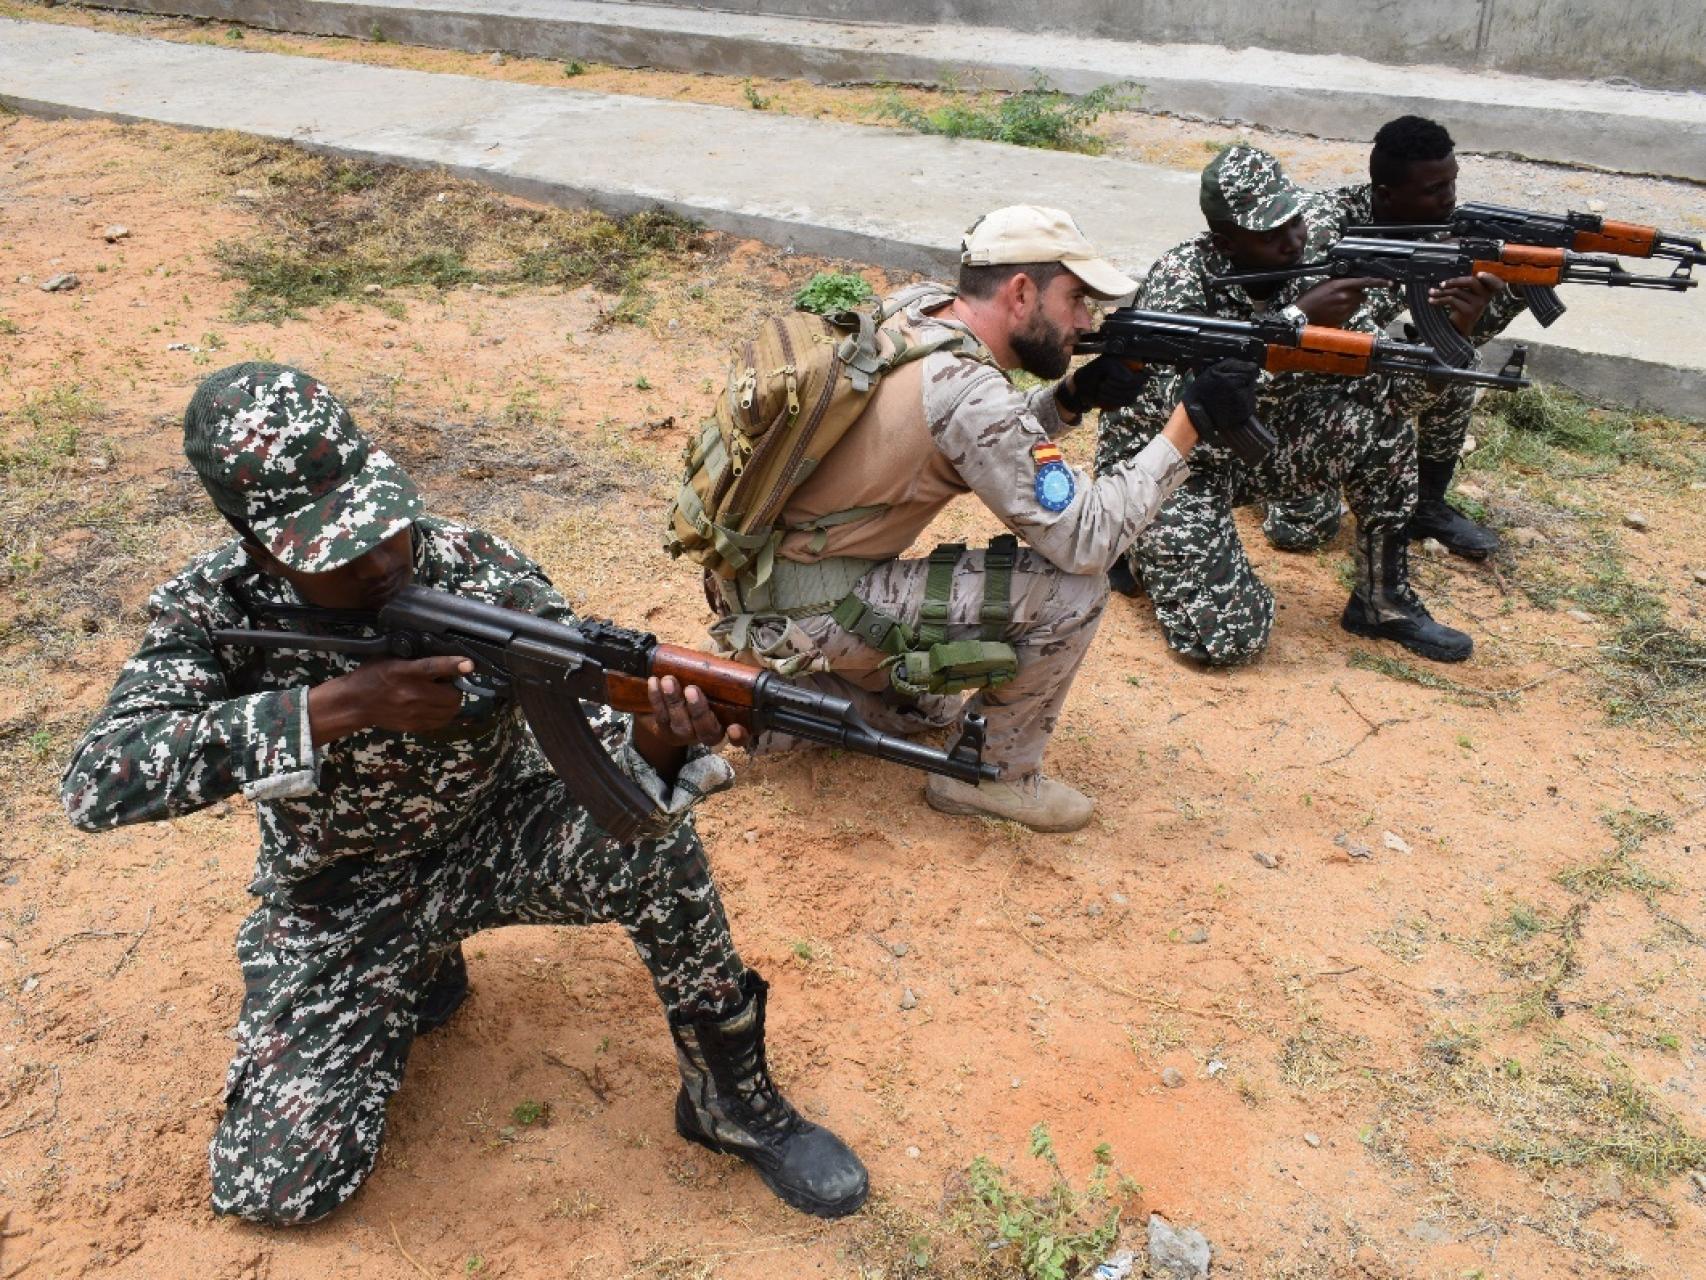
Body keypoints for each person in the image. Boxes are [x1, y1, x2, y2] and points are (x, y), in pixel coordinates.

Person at [60, 363, 869, 1226]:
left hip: (497, 840)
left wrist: (661, 735)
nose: (382, 560)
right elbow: (99, 780)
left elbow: (601, 765)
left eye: (383, 521)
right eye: (338, 549)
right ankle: (417, 964)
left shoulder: (479, 573)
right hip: (344, 893)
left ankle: (729, 1102)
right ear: (257, 545)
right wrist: (341, 706)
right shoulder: (211, 609)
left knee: (657, 846)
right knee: (279, 1188)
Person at [702, 206, 1259, 833]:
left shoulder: (917, 311)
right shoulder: (967, 389)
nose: (1086, 322)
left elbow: (975, 436)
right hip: (816, 609)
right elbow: (1088, 539)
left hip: (764, 580)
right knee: (1074, 591)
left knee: (932, 703)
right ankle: (993, 775)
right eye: (1076, 300)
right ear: (1020, 293)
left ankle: (789, 704)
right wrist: (1187, 425)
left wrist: (1069, 399)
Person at [1095, 144, 1475, 667]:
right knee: (1230, 641)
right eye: (1271, 233)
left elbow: (1394, 398)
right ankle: (1127, 535)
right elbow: (1181, 407)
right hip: (1165, 466)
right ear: (1225, 242)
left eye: (1295, 220)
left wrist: (1456, 331)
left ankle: (1382, 601)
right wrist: (1294, 325)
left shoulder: (1313, 273)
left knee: (1381, 431)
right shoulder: (1182, 279)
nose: (1293, 240)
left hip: (1253, 448)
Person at [1261, 115, 1523, 558]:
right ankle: (1270, 475)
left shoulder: (1432, 225)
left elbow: (1458, 333)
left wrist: (1513, 289)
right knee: (1303, 531)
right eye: (1434, 189)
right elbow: (1394, 389)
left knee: (1458, 360)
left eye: (1452, 182)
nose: (1450, 198)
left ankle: (1427, 505)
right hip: (1285, 387)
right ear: (1386, 194)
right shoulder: (1324, 233)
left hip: (1354, 365)